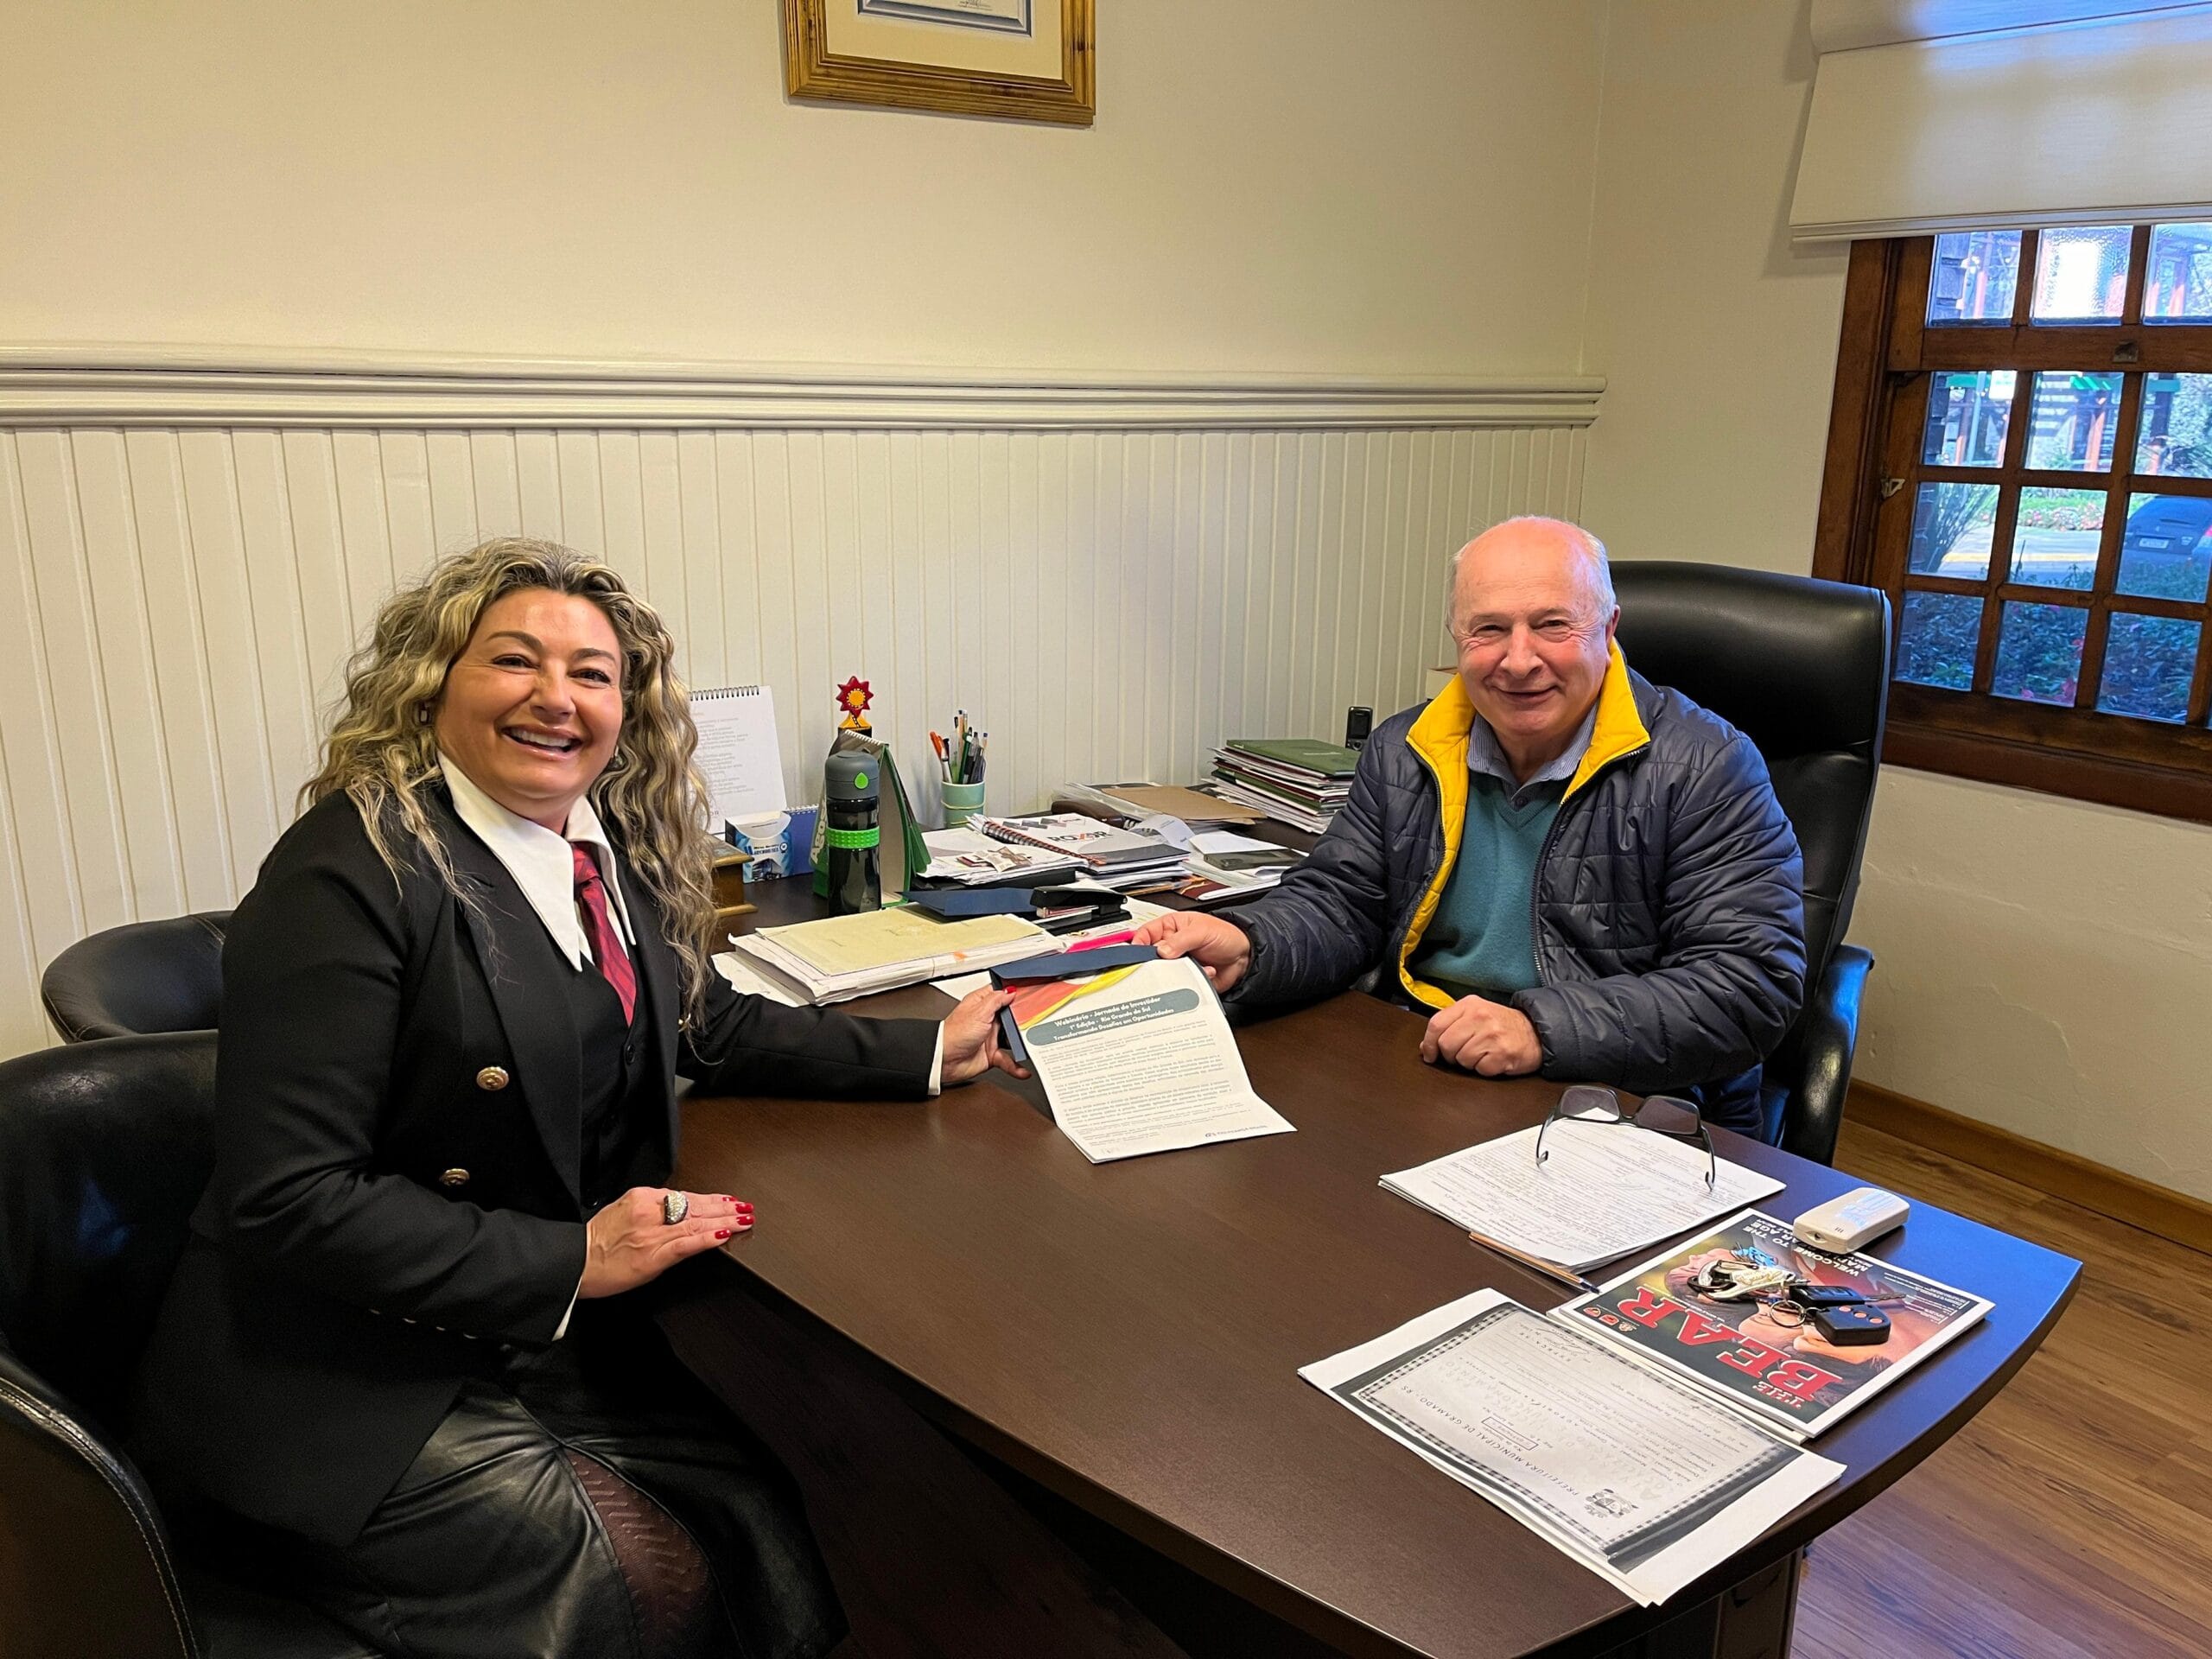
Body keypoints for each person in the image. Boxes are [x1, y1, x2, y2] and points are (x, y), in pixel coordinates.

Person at [129, 537, 1024, 1659]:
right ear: (433, 682)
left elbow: (702, 1022)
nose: (556, 697)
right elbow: (287, 1197)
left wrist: (923, 1050)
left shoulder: (601, 844)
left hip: (510, 1324)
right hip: (333, 1357)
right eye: (514, 660)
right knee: (633, 1573)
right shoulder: (349, 871)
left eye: (592, 674)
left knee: (759, 1509)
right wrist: (571, 1259)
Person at [1135, 516, 1805, 1135]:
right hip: (1422, 1059)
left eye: (1552, 625)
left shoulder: (1707, 767)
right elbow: (1344, 902)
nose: (1518, 660)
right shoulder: (1409, 748)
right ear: (1458, 638)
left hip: (1609, 1096)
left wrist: (1540, 1030)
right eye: (1489, 630)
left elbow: (1749, 985)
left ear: (1608, 630)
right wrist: (1251, 943)